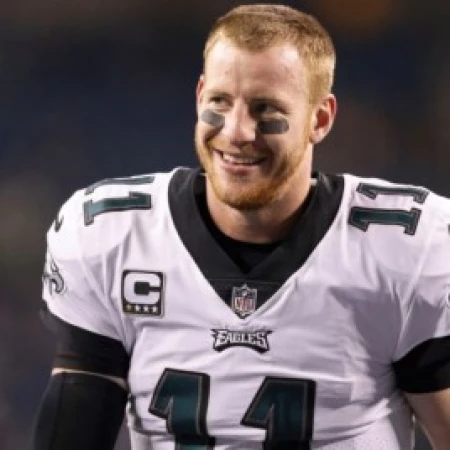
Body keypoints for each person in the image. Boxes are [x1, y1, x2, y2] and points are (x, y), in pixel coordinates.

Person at [33, 4, 450, 450]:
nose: (236, 132)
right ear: (199, 96)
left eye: (264, 108)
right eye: (220, 102)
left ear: (320, 119)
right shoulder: (112, 236)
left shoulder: (404, 248)